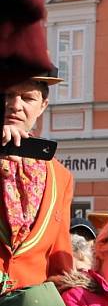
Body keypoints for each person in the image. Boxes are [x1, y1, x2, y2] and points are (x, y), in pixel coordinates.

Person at [1, 69, 74, 292]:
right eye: (6, 94)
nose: (14, 105)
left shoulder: (61, 176)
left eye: (27, 97)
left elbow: (60, 263)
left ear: (43, 105)